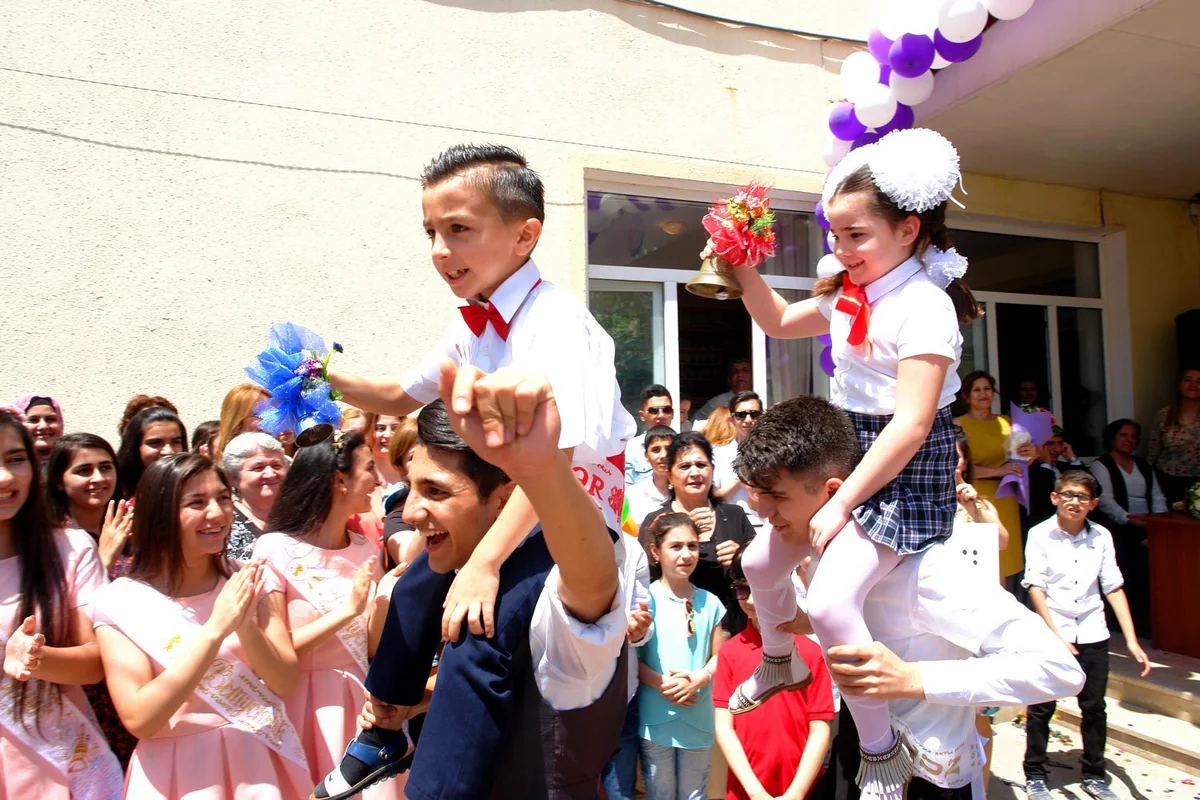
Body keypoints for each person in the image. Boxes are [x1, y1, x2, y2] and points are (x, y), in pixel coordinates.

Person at [317, 144, 635, 798]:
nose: (439, 249)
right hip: (511, 521)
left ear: (525, 235)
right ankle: (384, 730)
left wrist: (483, 565)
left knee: (475, 631)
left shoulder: (557, 324)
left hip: (569, 531)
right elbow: (396, 394)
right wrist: (320, 376)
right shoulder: (471, 325)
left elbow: (555, 467)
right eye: (431, 232)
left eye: (458, 228)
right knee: (415, 585)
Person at [720, 129, 978, 799]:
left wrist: (839, 503)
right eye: (835, 235)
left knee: (833, 602)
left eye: (857, 235)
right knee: (756, 563)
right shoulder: (850, 290)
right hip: (842, 447)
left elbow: (914, 423)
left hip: (899, 463)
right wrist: (739, 262)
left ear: (908, 229)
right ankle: (780, 661)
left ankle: (881, 751)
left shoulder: (923, 304)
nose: (841, 249)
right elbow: (776, 320)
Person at [730, 395, 1086, 800]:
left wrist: (913, 678)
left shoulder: (927, 569)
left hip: (927, 783)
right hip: (857, 765)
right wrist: (806, 623)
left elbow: (1059, 669)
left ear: (833, 493)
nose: (763, 512)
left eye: (777, 496)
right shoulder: (824, 564)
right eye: (758, 495)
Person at [314, 368, 628, 800]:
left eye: (436, 492)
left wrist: (543, 468)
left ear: (504, 496)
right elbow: (395, 391)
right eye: (410, 488)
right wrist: (414, 699)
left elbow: (591, 579)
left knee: (480, 628)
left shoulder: (553, 589)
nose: (409, 513)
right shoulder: (450, 569)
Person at [92, 453, 309, 799]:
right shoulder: (119, 602)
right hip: (178, 771)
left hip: (257, 760)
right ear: (160, 514)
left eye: (223, 498)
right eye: (197, 502)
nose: (217, 513)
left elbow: (284, 680)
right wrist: (215, 631)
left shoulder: (249, 579)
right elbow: (140, 718)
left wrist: (244, 625)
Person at [254, 431, 400, 798]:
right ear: (339, 480)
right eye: (369, 469)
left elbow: (371, 644)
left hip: (362, 702)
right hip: (303, 707)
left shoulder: (365, 546)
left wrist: (387, 598)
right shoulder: (275, 549)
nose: (378, 479)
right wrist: (346, 611)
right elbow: (277, 651)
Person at [0, 409, 124, 798]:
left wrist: (39, 660)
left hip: (54, 760)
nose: (5, 477)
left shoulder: (70, 549)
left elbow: (96, 662)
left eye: (15, 459)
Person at [1022, 469, 1152, 800]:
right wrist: (1056, 635)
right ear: (1055, 498)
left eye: (1082, 497)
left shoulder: (1102, 537)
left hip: (1093, 629)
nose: (1074, 502)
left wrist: (1132, 641)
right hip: (1054, 630)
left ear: (1093, 503)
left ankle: (1094, 773)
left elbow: (1113, 587)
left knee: (1093, 706)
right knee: (1042, 706)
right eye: (1068, 494)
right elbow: (1036, 586)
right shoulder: (1040, 534)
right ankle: (1035, 772)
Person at [42, 432, 140, 767]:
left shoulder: (135, 528)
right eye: (84, 470)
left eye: (105, 467)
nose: (98, 479)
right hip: (85, 690)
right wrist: (103, 558)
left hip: (135, 675)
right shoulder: (54, 541)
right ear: (59, 481)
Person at [713, 551, 834, 800]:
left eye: (761, 588)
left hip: (802, 788)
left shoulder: (812, 652)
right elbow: (724, 728)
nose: (752, 600)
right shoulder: (730, 652)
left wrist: (796, 793)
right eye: (742, 589)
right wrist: (756, 792)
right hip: (744, 790)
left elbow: (820, 728)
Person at [637, 512, 728, 800]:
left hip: (698, 714)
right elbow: (633, 660)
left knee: (694, 795)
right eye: (676, 547)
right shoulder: (644, 600)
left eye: (692, 546)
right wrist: (665, 684)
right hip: (656, 717)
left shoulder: (711, 602)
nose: (686, 554)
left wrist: (698, 679)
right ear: (656, 551)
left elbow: (719, 657)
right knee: (660, 795)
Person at [638, 432, 756, 635]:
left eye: (701, 465)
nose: (695, 473)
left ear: (712, 470)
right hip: (676, 635)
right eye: (684, 467)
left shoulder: (734, 515)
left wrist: (741, 557)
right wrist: (684, 531)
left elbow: (765, 571)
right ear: (669, 476)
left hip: (735, 632)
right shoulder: (656, 522)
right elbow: (644, 578)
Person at [1089, 419, 1166, 636]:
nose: (1128, 440)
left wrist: (1157, 522)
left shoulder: (1143, 465)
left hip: (1148, 525)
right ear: (1112, 438)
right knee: (1130, 569)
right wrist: (1134, 521)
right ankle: (1131, 622)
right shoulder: (1101, 465)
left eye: (1133, 437)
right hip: (1119, 527)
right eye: (1123, 435)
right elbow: (1107, 502)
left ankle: (1154, 620)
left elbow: (1157, 496)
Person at [600, 515, 654, 800]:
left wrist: (638, 630)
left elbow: (643, 617)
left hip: (623, 696)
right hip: (564, 701)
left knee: (619, 792)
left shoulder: (633, 550)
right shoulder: (551, 542)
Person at [956, 371, 1027, 580]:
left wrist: (1029, 453)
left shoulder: (1007, 422)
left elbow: (1021, 458)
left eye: (987, 389)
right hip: (975, 492)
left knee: (1004, 556)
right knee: (981, 557)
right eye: (976, 390)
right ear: (966, 396)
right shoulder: (958, 424)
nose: (983, 394)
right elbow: (959, 464)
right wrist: (998, 471)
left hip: (1006, 497)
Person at [222, 432, 289, 561]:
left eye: (276, 466)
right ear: (233, 478)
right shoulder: (223, 523)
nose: (270, 474)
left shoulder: (301, 518)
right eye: (258, 468)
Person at [713, 391, 765, 529]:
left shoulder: (776, 452)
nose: (748, 420)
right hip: (730, 525)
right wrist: (741, 475)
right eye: (741, 415)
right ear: (731, 420)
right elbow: (715, 497)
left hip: (767, 524)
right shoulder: (718, 455)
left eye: (754, 414)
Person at [1147, 367, 1200, 504]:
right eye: (1188, 380)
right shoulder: (1164, 415)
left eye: (1199, 381)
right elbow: (1153, 451)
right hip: (1167, 481)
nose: (1193, 385)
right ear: (1179, 385)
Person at [116, 406, 188, 499]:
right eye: (155, 443)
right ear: (135, 447)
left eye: (176, 442)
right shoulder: (115, 494)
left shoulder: (192, 488)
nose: (169, 451)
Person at [383, 418, 422, 569]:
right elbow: (410, 562)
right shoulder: (397, 519)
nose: (427, 461)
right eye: (414, 456)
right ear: (400, 468)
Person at [1028, 427, 1084, 527]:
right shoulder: (1028, 469)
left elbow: (1095, 490)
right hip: (1042, 526)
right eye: (1050, 444)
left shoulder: (1065, 467)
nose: (1057, 449)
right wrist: (1046, 465)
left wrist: (1073, 460)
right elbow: (1041, 497)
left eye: (1060, 443)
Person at [624, 425, 675, 527]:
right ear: (646, 456)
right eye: (656, 450)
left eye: (669, 449)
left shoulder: (689, 492)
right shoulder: (633, 495)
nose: (663, 455)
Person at [625, 385, 676, 486]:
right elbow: (626, 489)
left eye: (666, 410)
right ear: (642, 416)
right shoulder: (630, 448)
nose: (661, 415)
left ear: (673, 413)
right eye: (654, 410)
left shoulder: (683, 445)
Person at [215, 383, 269, 461]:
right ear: (236, 424)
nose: (269, 420)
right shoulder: (219, 471)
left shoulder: (285, 463)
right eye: (258, 414)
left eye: (272, 412)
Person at [695, 358, 753, 425]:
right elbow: (693, 426)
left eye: (745, 371)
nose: (740, 374)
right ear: (729, 378)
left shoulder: (762, 397)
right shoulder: (716, 403)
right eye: (735, 371)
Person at [11, 394, 64, 468]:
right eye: (33, 420)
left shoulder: (71, 462)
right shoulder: (6, 466)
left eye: (50, 419)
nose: (43, 426)